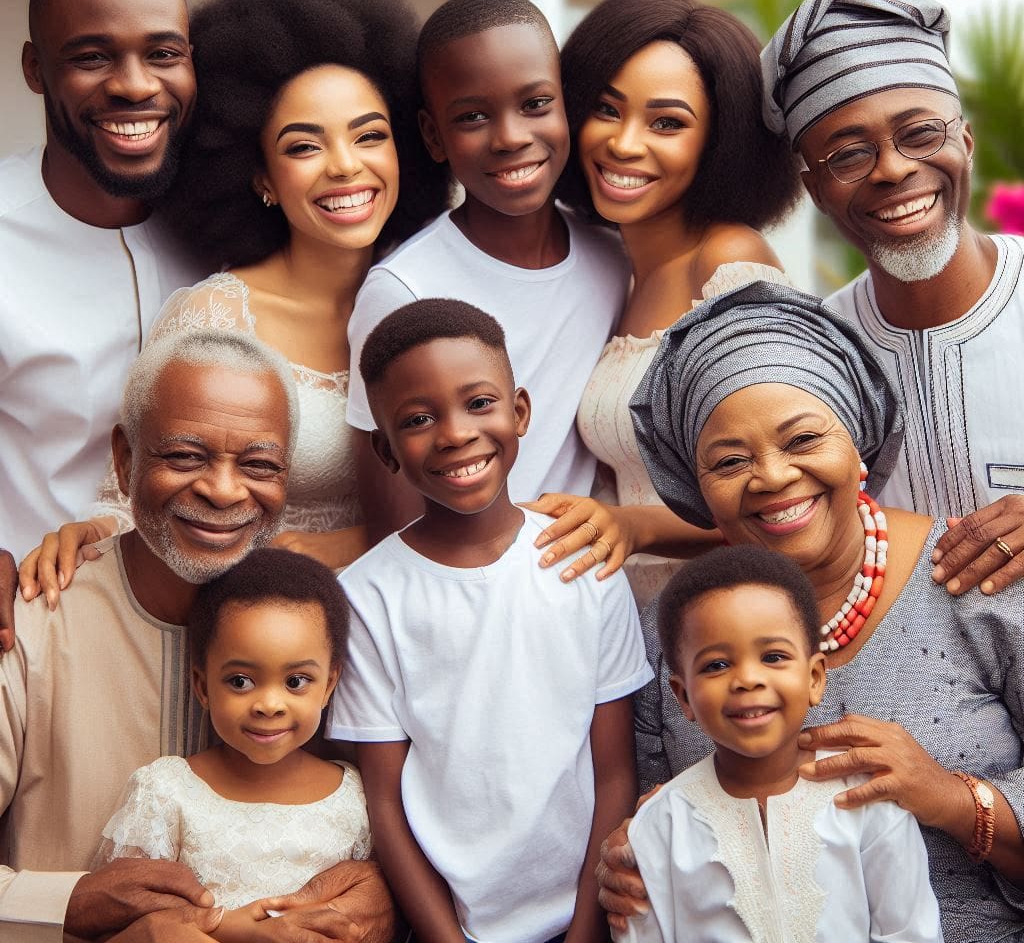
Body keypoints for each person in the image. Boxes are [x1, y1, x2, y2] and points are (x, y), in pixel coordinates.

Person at [596, 281, 1024, 943]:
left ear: (858, 442)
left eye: (802, 438)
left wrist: (950, 798)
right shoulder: (673, 638)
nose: (772, 477)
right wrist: (632, 867)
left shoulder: (980, 577)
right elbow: (656, 830)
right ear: (697, 487)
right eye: (729, 461)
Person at [18, 0, 447, 604]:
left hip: (414, 630)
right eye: (304, 147)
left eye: (370, 136)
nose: (346, 167)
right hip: (259, 650)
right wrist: (83, 535)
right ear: (261, 178)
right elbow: (135, 497)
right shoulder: (217, 313)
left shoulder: (431, 299)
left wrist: (342, 544)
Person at [0, 330, 393, 943]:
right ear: (126, 460)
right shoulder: (30, 625)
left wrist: (385, 892)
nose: (224, 490)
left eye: (259, 465)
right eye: (185, 456)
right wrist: (66, 903)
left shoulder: (336, 627)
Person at [329, 299, 651, 942]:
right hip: (450, 927)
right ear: (385, 450)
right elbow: (385, 804)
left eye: (479, 403)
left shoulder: (584, 561)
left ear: (520, 411)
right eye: (418, 419)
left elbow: (615, 769)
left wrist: (587, 934)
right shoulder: (366, 596)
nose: (454, 434)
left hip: (586, 920)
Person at [530, 0, 801, 602]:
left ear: (717, 141)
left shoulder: (729, 262)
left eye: (666, 123)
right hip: (626, 623)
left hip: (720, 622)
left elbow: (779, 489)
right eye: (606, 109)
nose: (624, 143)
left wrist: (633, 525)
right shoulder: (613, 268)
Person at [760, 0, 1024, 597]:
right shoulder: (817, 355)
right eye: (849, 155)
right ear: (816, 189)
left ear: (965, 140)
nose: (893, 168)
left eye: (921, 133)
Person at [342, 0, 630, 544]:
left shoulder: (612, 256)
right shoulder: (403, 289)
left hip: (582, 585)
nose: (511, 137)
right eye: (473, 116)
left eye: (535, 105)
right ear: (434, 136)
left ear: (565, 105)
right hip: (463, 603)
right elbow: (397, 528)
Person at [1, 0, 210, 566]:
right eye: (93, 57)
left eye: (163, 53)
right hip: (38, 628)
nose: (134, 85)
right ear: (36, 69)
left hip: (221, 635)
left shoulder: (229, 224)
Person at [620, 544, 941, 942]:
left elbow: (910, 932)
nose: (747, 679)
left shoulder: (866, 799)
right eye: (716, 665)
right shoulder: (662, 825)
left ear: (814, 678)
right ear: (683, 697)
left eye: (773, 656)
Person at [96, 548, 373, 941]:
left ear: (329, 684)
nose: (269, 706)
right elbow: (122, 924)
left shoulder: (355, 799)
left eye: (296, 681)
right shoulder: (165, 792)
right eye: (240, 681)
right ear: (202, 685)